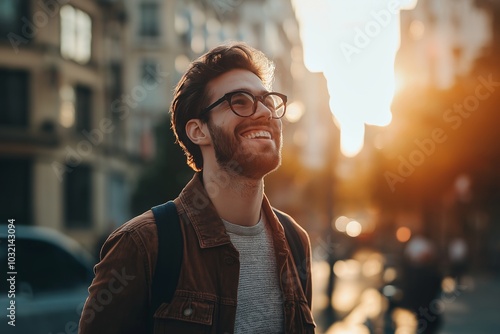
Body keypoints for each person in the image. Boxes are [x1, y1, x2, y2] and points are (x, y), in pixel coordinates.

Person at [78, 42, 315, 334]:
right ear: (198, 130)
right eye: (240, 101)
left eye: (268, 100)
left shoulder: (295, 241)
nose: (265, 112)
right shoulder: (141, 245)